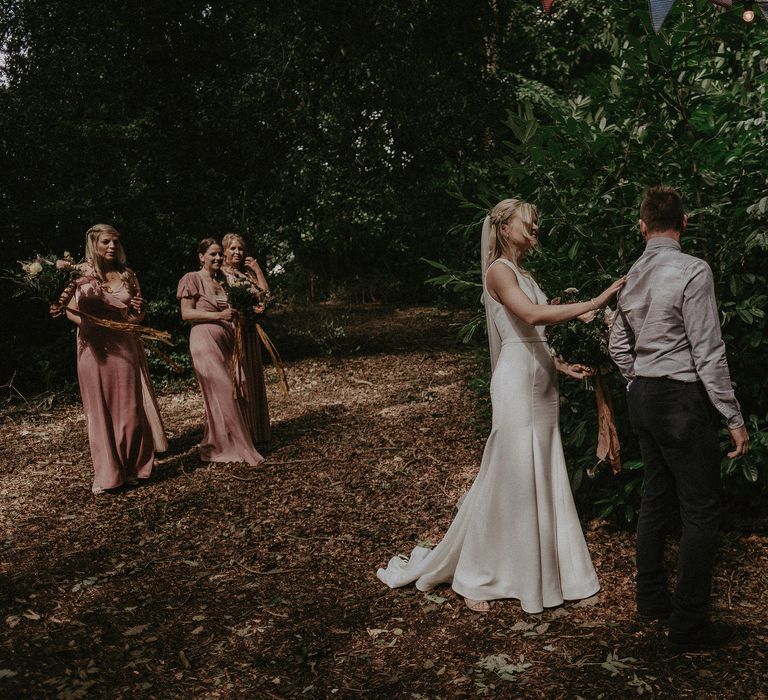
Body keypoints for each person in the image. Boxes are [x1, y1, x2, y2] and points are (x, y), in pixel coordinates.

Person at [378, 198, 624, 613]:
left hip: (540, 380)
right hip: (515, 382)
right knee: (510, 473)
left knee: (541, 467)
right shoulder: (498, 270)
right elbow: (530, 316)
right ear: (505, 227)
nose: (536, 228)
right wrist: (595, 303)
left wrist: (562, 365)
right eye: (529, 222)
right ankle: (478, 572)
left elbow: (533, 335)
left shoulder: (524, 272)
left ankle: (548, 570)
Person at [609, 186, 749, 652]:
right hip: (680, 399)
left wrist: (637, 379)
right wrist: (732, 416)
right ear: (684, 223)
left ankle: (650, 599)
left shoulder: (630, 275)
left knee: (654, 497)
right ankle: (689, 624)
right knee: (701, 509)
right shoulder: (693, 270)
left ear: (642, 226)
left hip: (644, 396)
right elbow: (708, 351)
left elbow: (617, 345)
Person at [57, 224, 167, 494]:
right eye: (106, 241)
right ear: (94, 244)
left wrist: (137, 314)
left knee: (130, 410)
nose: (112, 246)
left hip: (123, 344)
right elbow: (69, 311)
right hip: (92, 347)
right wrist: (89, 323)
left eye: (116, 242)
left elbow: (136, 316)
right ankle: (109, 474)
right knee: (99, 412)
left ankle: (133, 467)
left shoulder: (128, 275)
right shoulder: (80, 275)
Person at [177, 238, 264, 466]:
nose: (216, 258)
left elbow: (251, 299)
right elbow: (186, 314)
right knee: (224, 390)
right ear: (201, 257)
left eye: (218, 254)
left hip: (228, 342)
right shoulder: (192, 278)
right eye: (212, 254)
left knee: (238, 387)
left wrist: (246, 313)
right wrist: (219, 316)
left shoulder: (225, 281)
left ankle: (216, 442)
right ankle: (238, 448)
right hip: (204, 341)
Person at [221, 232, 272, 449]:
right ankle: (241, 435)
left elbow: (265, 296)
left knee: (253, 379)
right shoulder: (222, 274)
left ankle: (259, 433)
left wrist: (258, 270)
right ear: (224, 251)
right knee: (239, 381)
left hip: (250, 331)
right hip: (233, 331)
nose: (237, 252)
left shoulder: (246, 275)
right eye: (232, 248)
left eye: (240, 249)